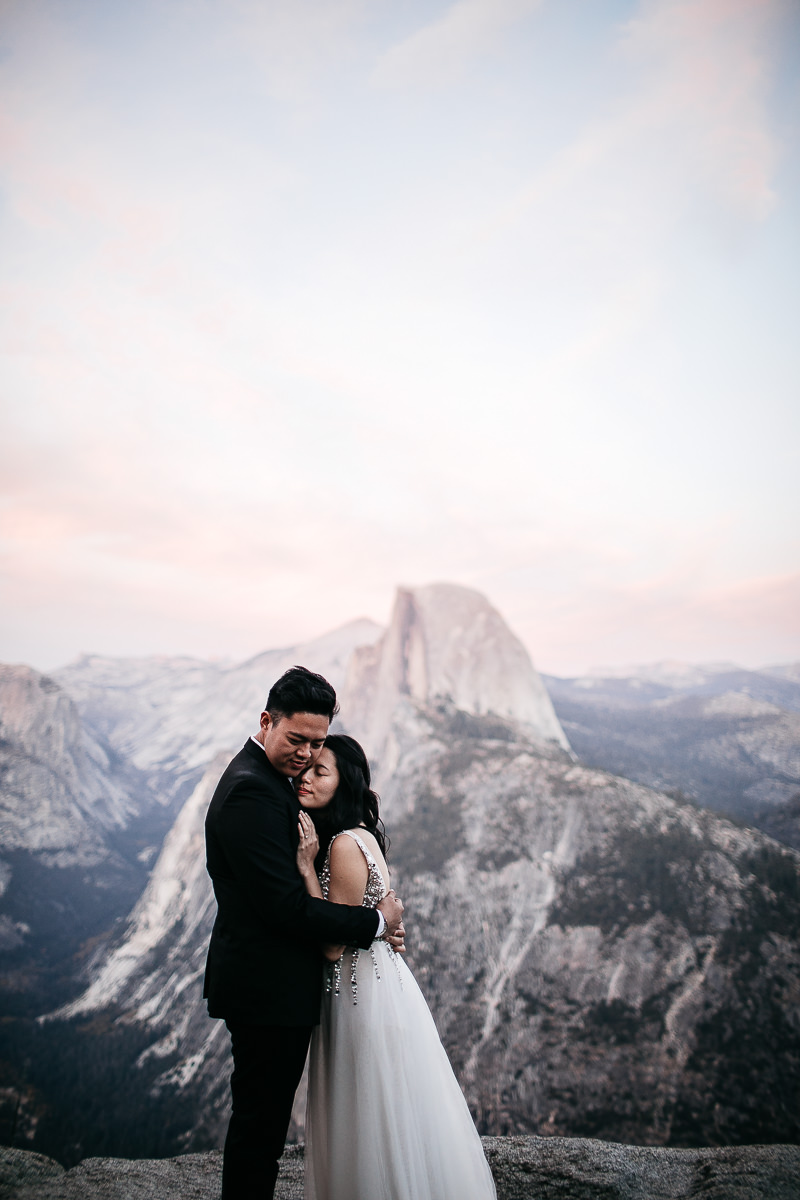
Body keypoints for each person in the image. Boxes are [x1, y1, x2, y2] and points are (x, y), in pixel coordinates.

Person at [203, 667, 405, 1200]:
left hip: (277, 986)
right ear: (267, 722)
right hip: (265, 990)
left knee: (262, 1123)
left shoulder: (269, 781)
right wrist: (377, 922)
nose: (306, 756)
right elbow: (286, 910)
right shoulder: (250, 791)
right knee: (260, 1128)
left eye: (317, 744)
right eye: (297, 740)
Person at [295, 733, 497, 1200]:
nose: (306, 777)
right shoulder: (357, 836)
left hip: (357, 996)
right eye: (306, 769)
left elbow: (330, 947)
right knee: (384, 1113)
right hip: (374, 986)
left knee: (366, 1116)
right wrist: (382, 922)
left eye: (320, 771)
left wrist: (307, 868)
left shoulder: (344, 845)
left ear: (345, 784)